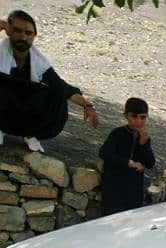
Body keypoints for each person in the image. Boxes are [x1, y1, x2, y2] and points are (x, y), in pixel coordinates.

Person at [0, 10, 98, 152]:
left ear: (34, 36)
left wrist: (87, 105)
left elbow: (60, 86)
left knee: (57, 96)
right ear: (9, 32)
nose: (23, 36)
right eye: (17, 31)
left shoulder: (37, 60)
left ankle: (29, 133)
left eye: (28, 33)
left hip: (18, 111)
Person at [99, 97, 155, 216]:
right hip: (114, 186)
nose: (138, 121)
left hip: (133, 190)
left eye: (143, 117)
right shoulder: (118, 133)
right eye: (134, 117)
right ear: (126, 116)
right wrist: (129, 163)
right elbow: (105, 153)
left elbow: (150, 163)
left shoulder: (144, 137)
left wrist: (143, 145)